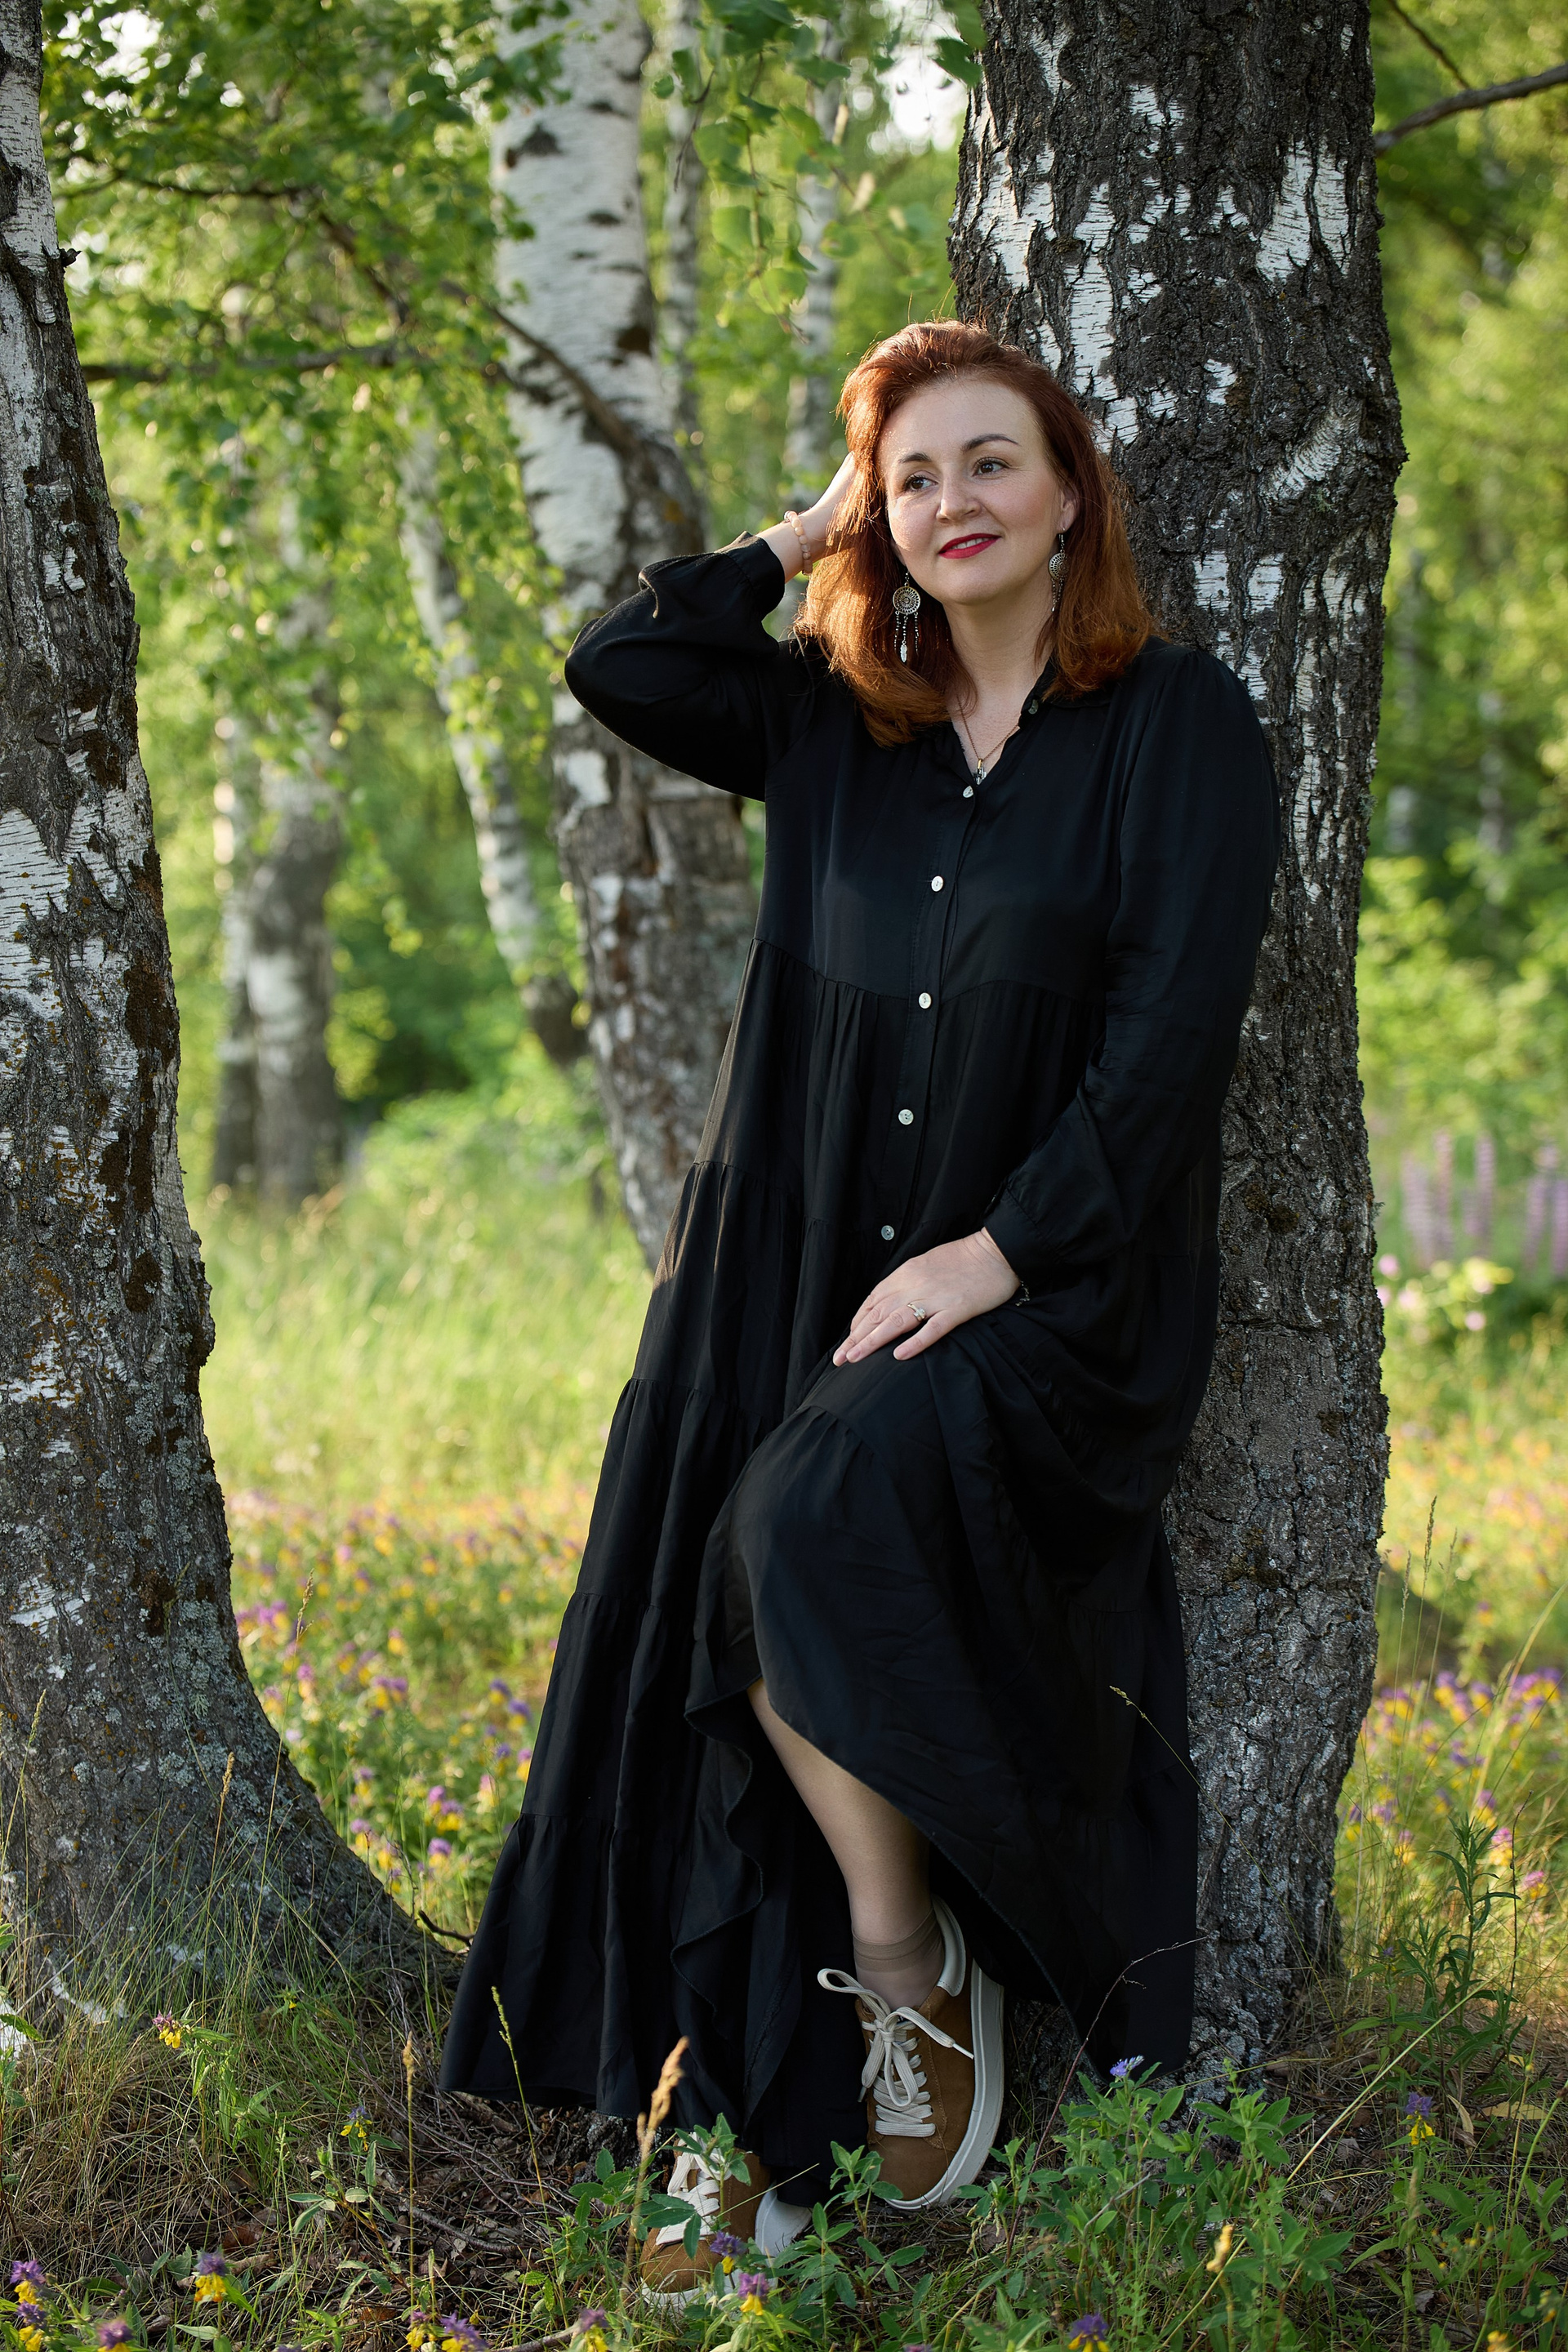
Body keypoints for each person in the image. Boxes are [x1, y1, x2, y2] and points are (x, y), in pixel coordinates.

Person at [439, 318, 1280, 2299]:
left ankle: (910, 1973)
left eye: (992, 462)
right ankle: (741, 2120)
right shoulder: (838, 716)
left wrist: (1003, 1252)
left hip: (1047, 1297)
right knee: (720, 1626)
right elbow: (626, 663)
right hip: (797, 1279)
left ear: (1071, 494)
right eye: (913, 477)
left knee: (792, 1536)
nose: (952, 502)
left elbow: (1171, 1043)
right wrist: (808, 526)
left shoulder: (1179, 726)